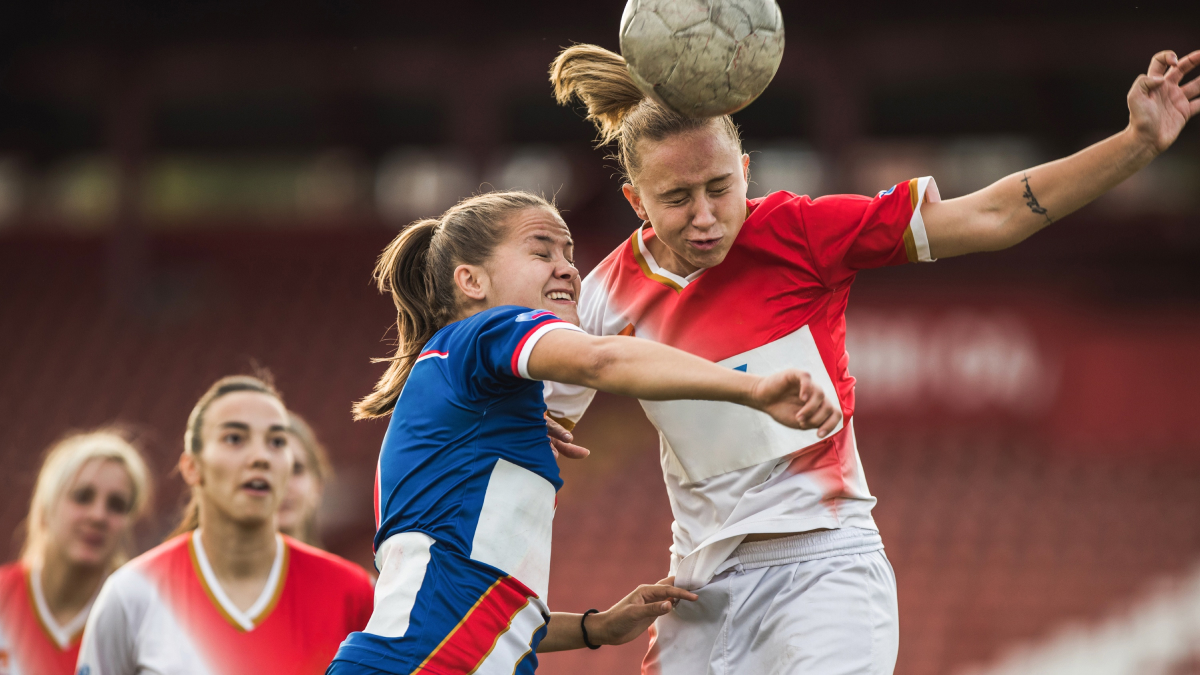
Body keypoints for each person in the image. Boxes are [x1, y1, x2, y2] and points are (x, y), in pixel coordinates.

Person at [547, 45, 1199, 675]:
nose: (706, 216)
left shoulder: (800, 233)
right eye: (677, 198)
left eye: (720, 187)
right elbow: (544, 419)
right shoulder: (605, 293)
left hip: (823, 575)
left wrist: (1136, 143)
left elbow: (992, 217)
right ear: (636, 201)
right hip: (696, 597)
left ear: (746, 169)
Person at [327, 190, 841, 675]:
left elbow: (473, 594)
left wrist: (596, 627)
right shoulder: (483, 330)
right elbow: (600, 357)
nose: (568, 268)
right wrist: (750, 390)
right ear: (472, 282)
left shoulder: (468, 401)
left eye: (570, 252)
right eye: (541, 249)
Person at [76, 375, 375, 675]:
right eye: (234, 438)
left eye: (277, 441)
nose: (261, 457)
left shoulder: (353, 594)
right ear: (192, 467)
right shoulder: (132, 593)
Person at [0, 430, 151, 675]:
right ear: (46, 506)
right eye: (82, 497)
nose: (98, 516)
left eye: (116, 505)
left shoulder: (139, 621)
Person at [277, 411, 333, 548]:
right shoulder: (216, 569)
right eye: (271, 470)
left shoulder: (342, 570)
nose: (284, 485)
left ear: (318, 485)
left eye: (296, 469)